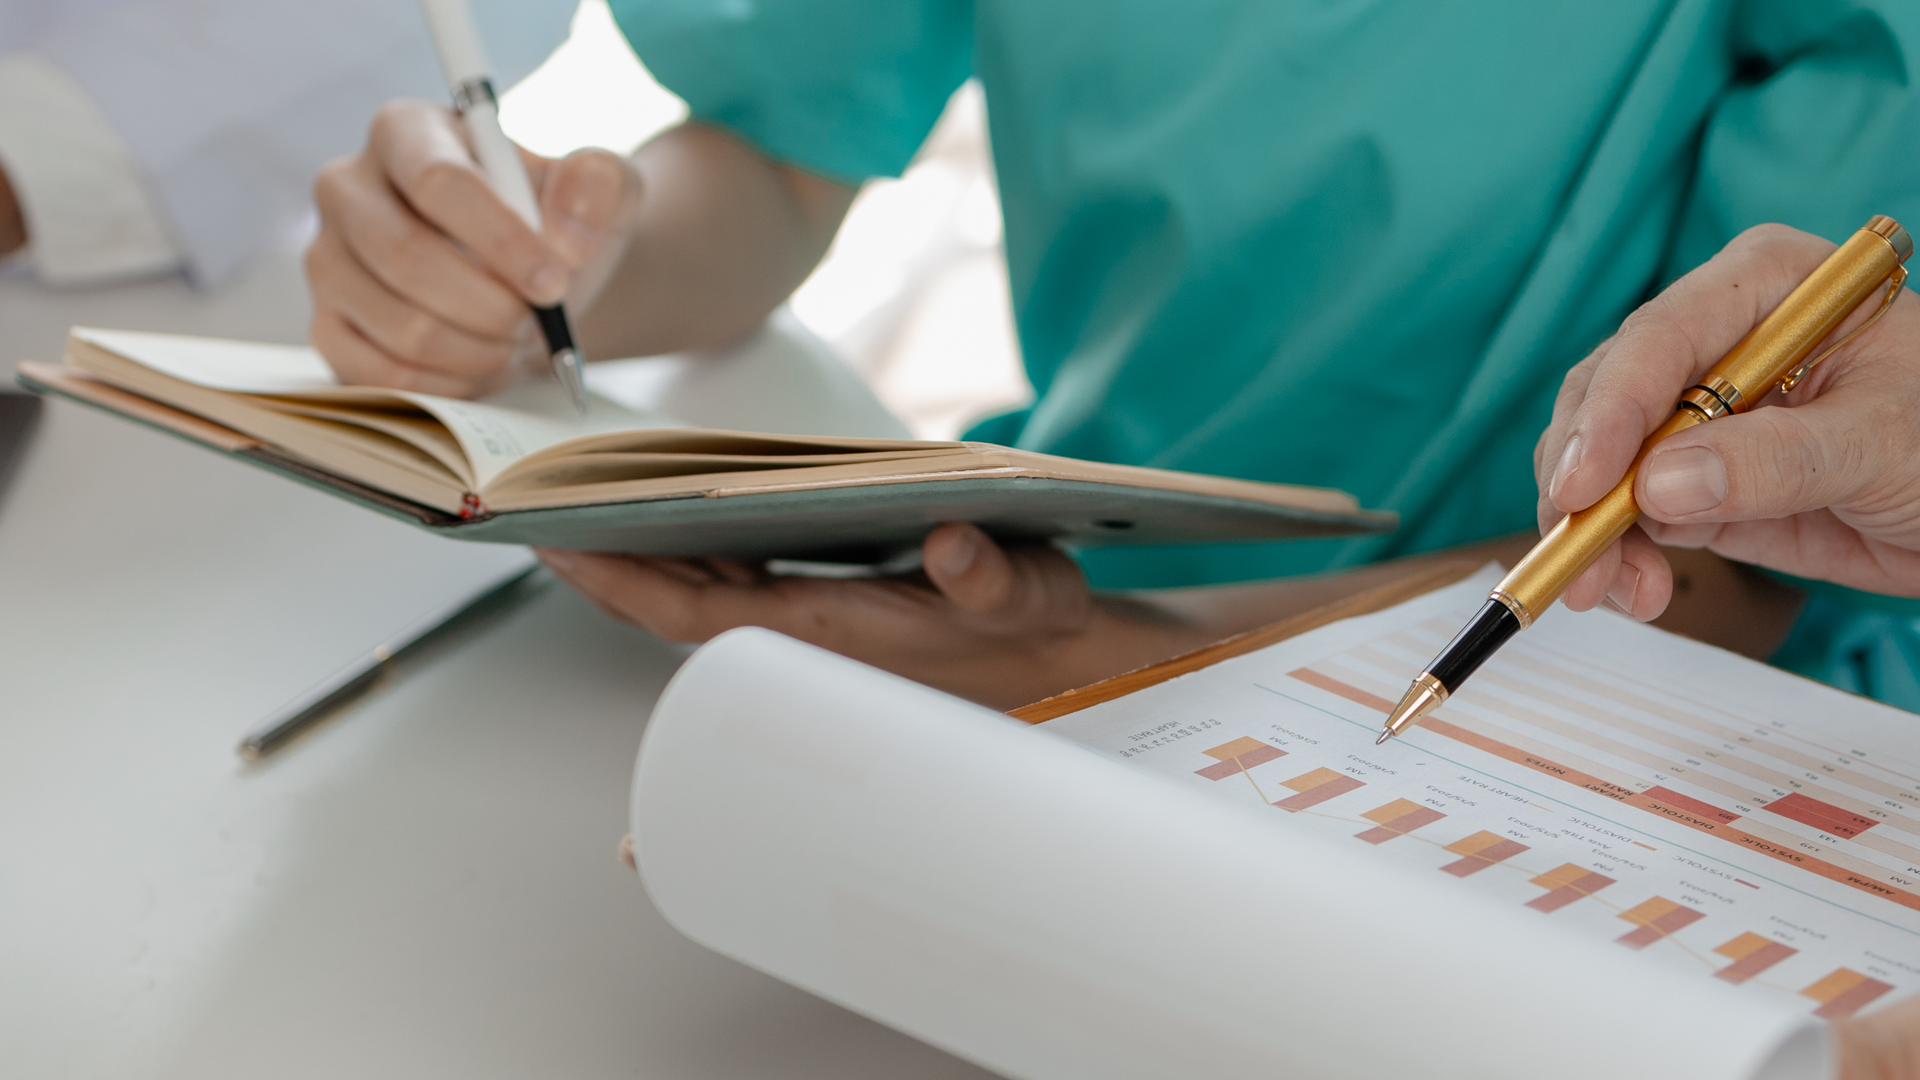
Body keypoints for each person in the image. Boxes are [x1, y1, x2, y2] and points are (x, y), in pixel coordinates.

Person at [304, 0, 1920, 715]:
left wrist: (1115, 666)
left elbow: (1754, 537)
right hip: (1038, 592)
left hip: (1614, 680)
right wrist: (552, 259)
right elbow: (788, 155)